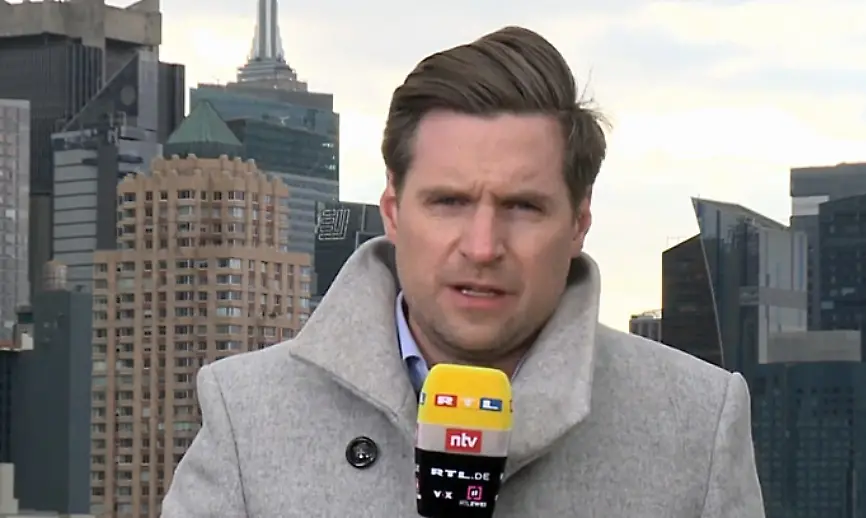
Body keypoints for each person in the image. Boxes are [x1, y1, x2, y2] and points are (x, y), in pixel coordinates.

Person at [161, 26, 765, 517]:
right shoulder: (247, 411)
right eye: (449, 202)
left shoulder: (698, 421)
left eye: (522, 207)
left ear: (579, 223)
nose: (482, 247)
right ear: (393, 211)